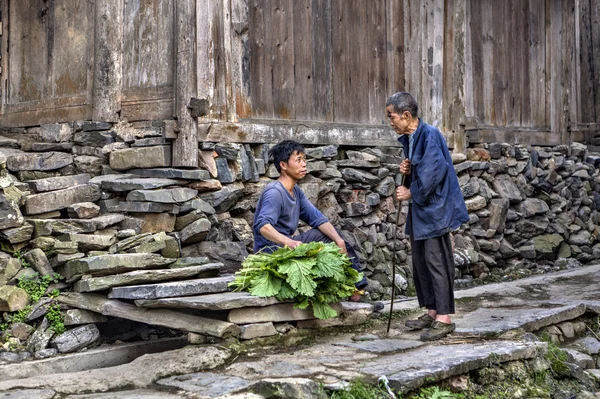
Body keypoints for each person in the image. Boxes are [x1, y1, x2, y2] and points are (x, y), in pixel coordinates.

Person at [386, 92, 469, 341]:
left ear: (406, 115)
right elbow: (422, 167)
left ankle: (444, 317)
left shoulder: (430, 135)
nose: (390, 121)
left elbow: (434, 173)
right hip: (423, 210)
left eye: (391, 116)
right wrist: (407, 169)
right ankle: (432, 311)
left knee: (437, 261)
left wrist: (410, 191)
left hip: (434, 209)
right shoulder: (411, 137)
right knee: (421, 261)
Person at [253, 140, 368, 299]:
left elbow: (317, 219)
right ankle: (355, 292)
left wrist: (339, 241)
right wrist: (290, 242)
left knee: (335, 236)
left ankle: (355, 289)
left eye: (304, 159)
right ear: (283, 165)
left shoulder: (296, 191)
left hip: (287, 246)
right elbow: (263, 226)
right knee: (326, 238)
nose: (304, 164)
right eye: (298, 160)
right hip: (271, 251)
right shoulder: (275, 192)